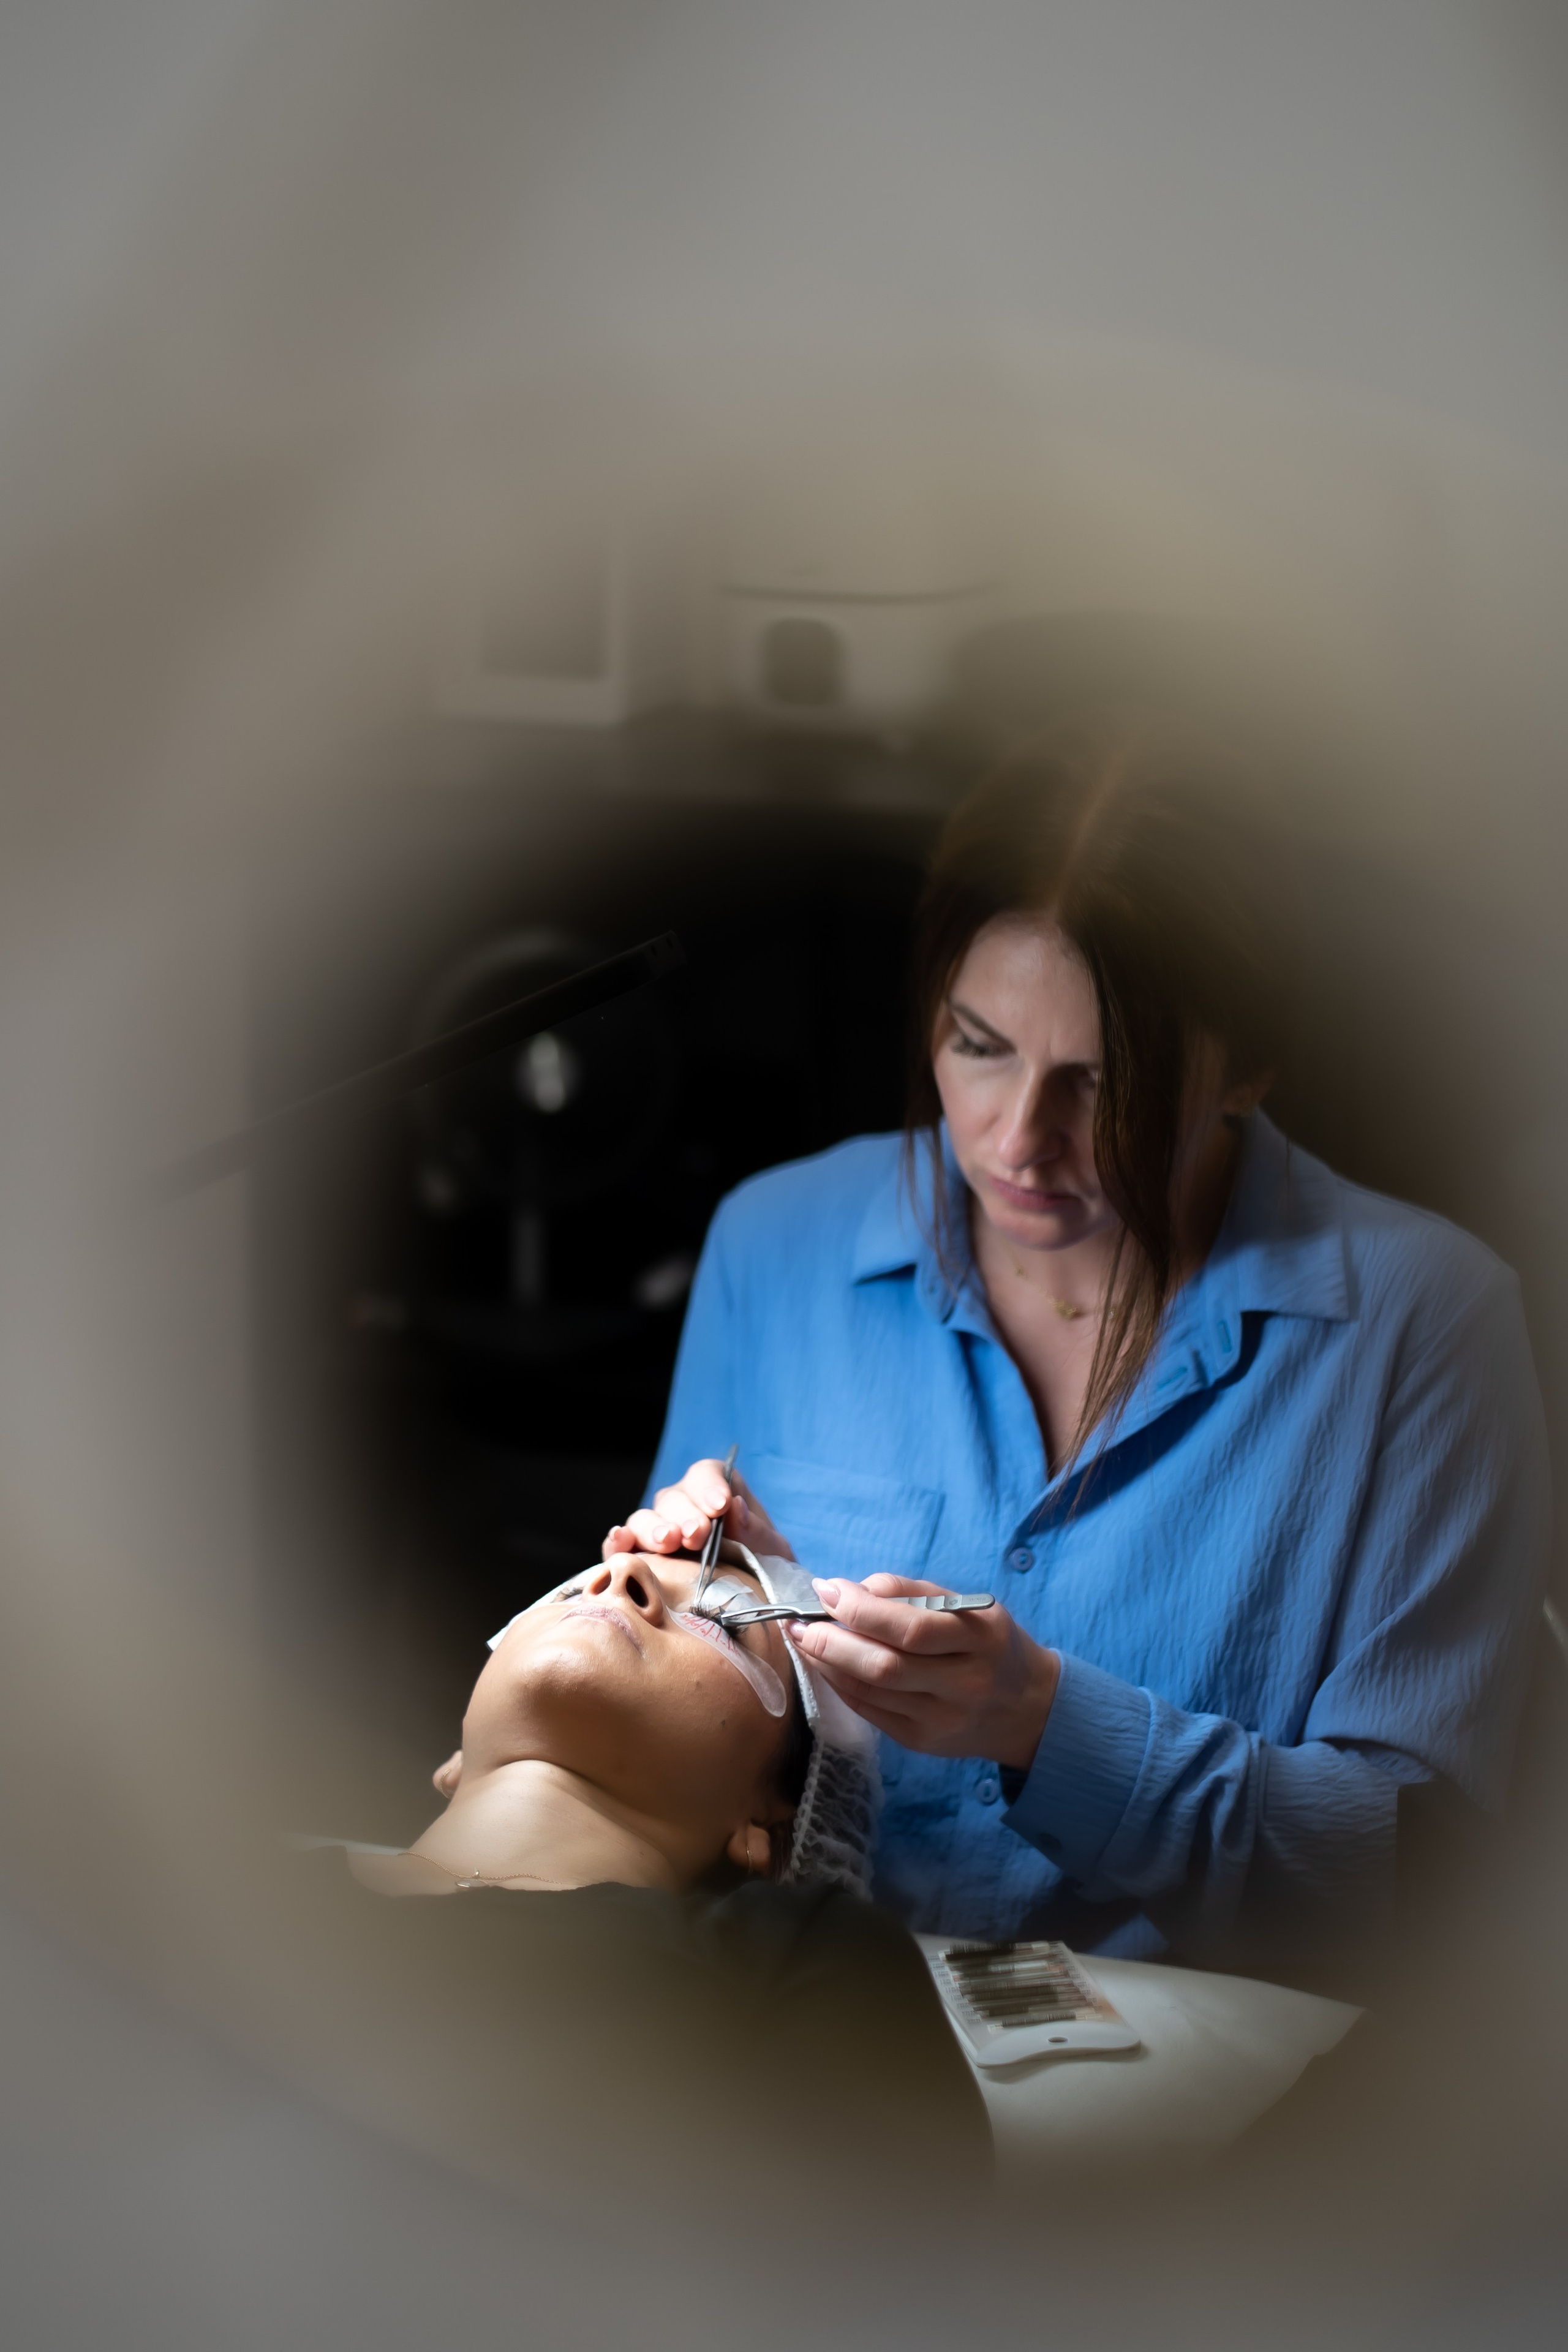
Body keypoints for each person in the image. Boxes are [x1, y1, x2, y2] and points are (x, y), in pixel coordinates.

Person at [609, 717, 1551, 1978]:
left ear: (1249, 1066)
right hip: (806, 2057)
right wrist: (750, 1615)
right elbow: (682, 1782)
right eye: (975, 1047)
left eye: (1104, 1082)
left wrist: (1051, 1727)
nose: (1015, 1143)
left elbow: (1410, 1893)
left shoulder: (1424, 1326)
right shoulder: (773, 1246)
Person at [299, 1543, 990, 2199]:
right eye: (568, 1588)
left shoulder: (803, 1954)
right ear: (453, 1758)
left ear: (771, 1829)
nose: (619, 1571)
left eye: (718, 1617)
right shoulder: (251, 1883)